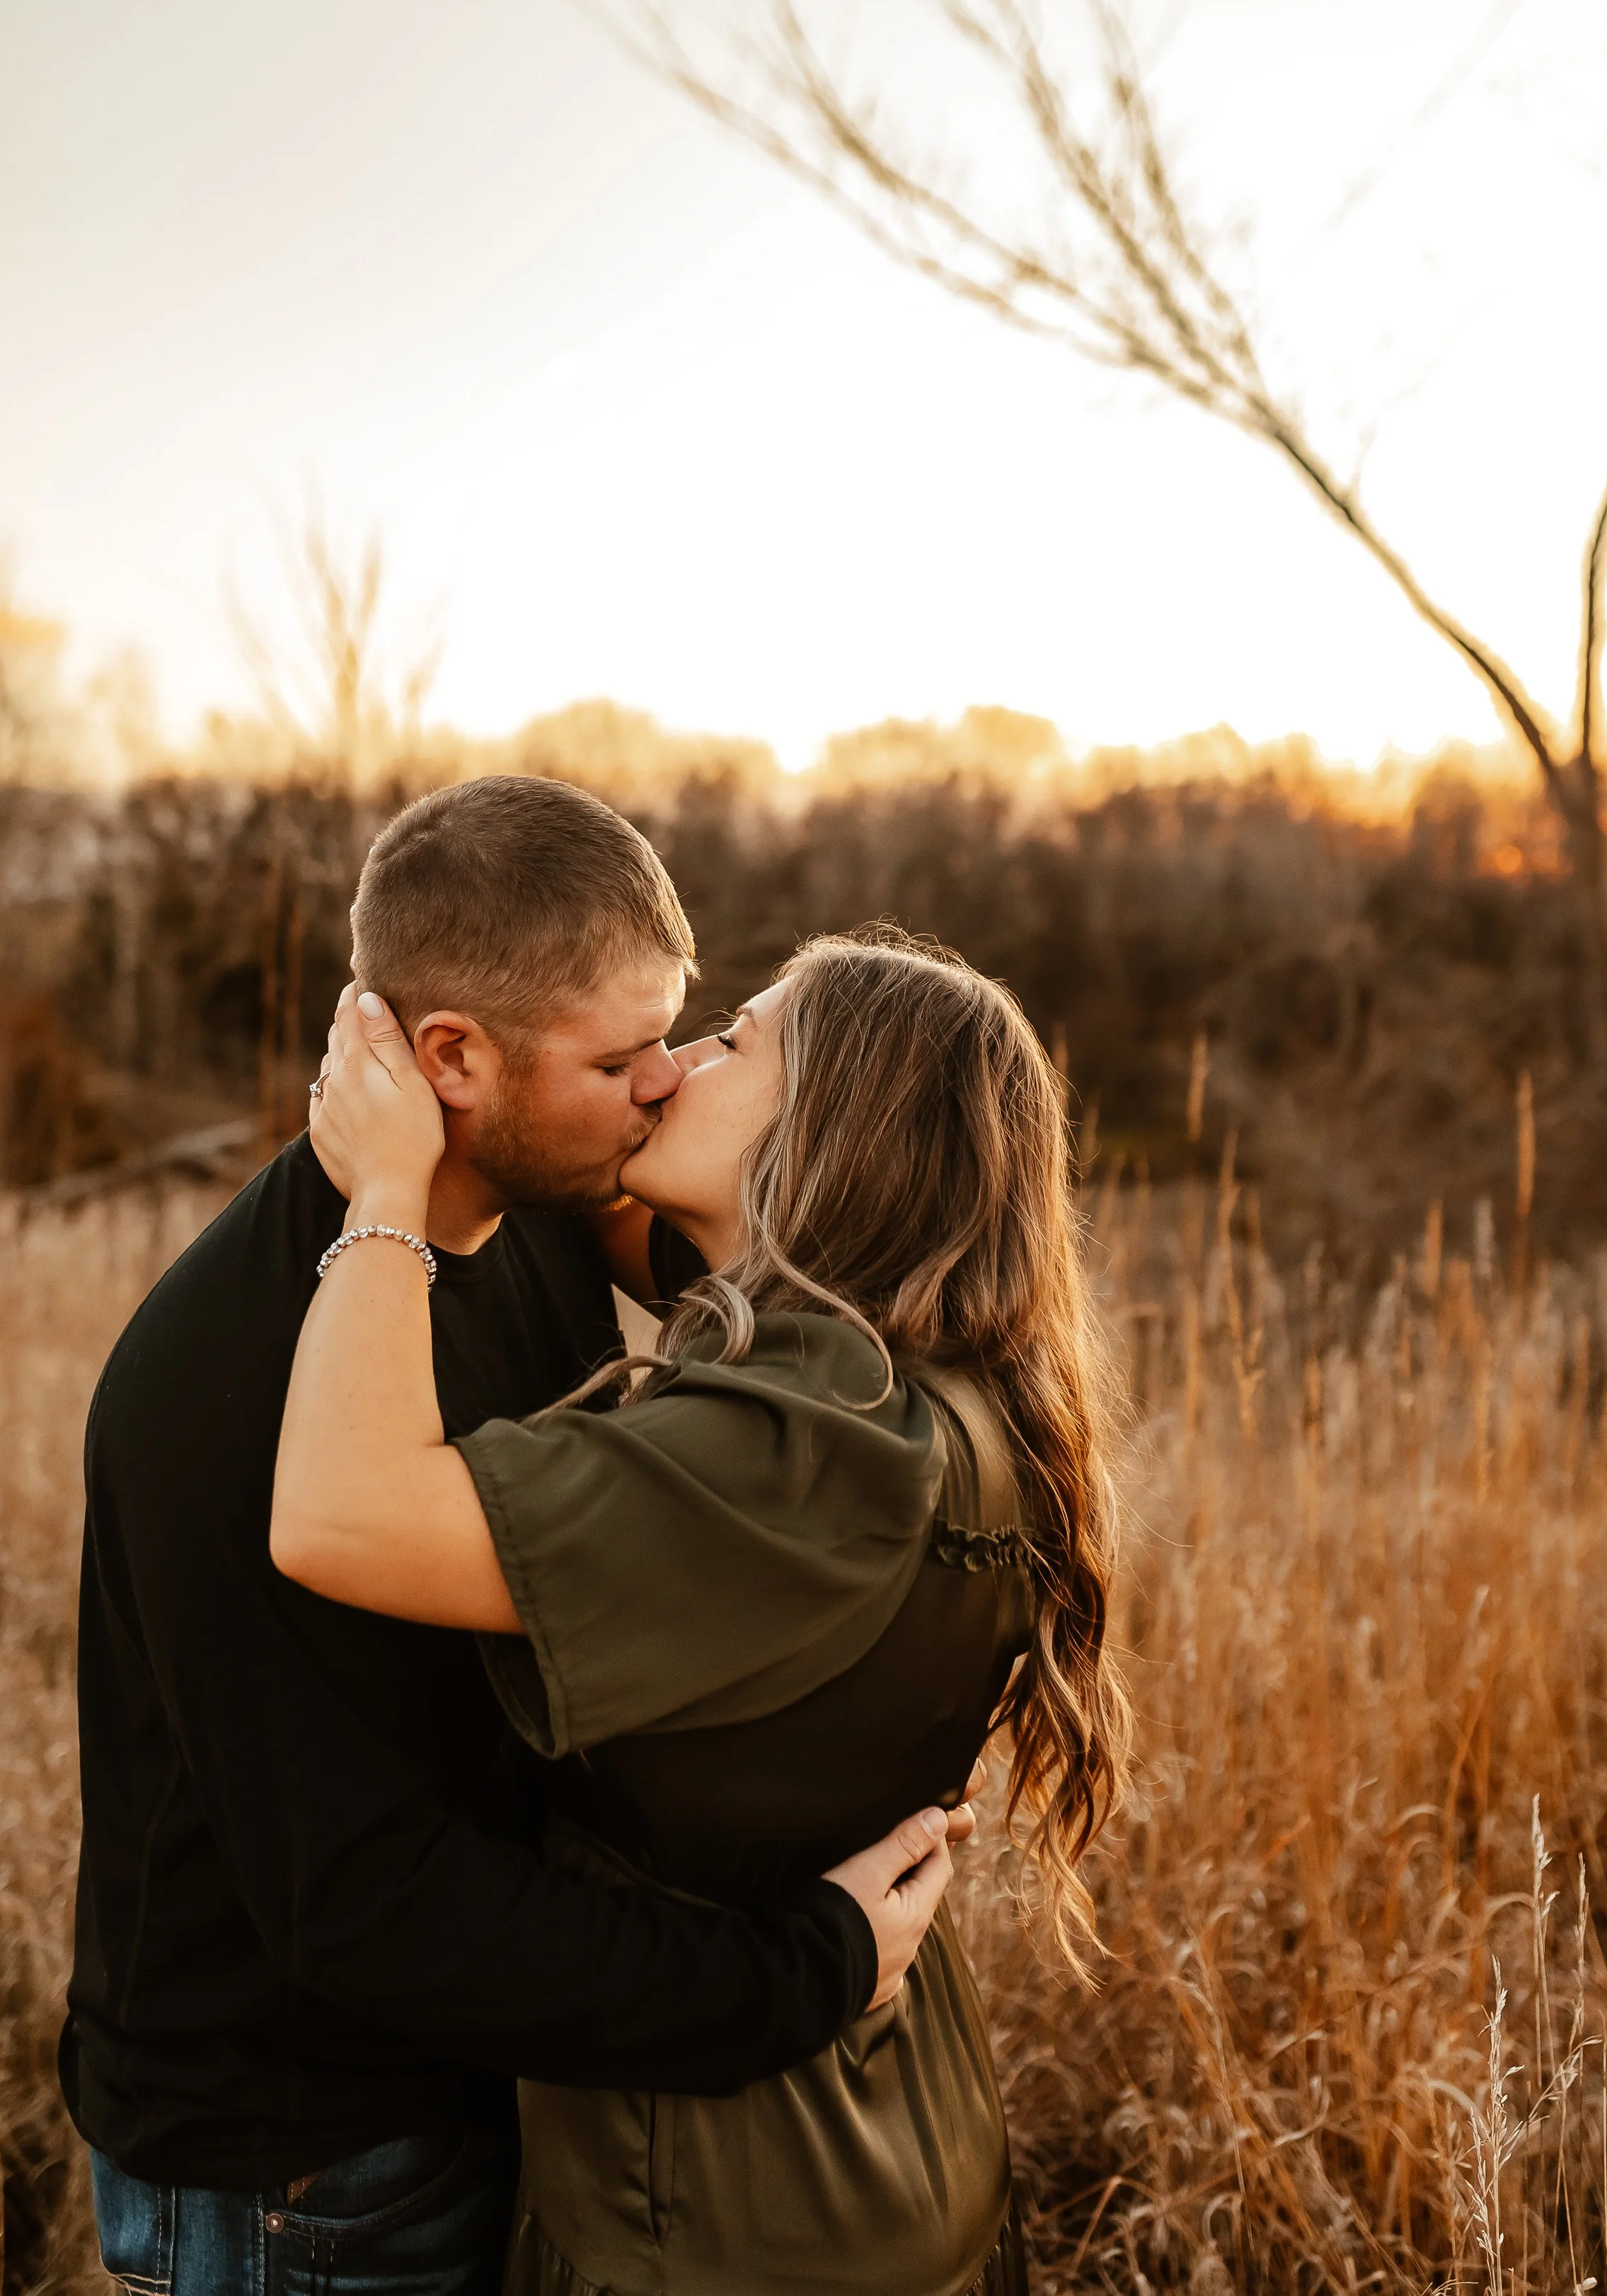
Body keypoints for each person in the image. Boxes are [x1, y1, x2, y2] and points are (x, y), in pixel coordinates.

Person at [66, 776, 969, 2296]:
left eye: (675, 1036)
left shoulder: (546, 1212)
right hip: (303, 2171)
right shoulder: (222, 1383)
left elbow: (806, 1281)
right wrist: (794, 1974)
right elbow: (367, 1902)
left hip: (482, 2086)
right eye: (618, 1060)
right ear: (451, 1061)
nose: (663, 1085)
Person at [271, 926, 1133, 2296]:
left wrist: (386, 1189)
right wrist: (538, 1108)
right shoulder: (932, 1386)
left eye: (733, 1041)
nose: (672, 1067)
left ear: (831, 1138)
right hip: (885, 2152)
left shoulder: (806, 1458)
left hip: (718, 2217)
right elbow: (696, 1265)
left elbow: (339, 1511)